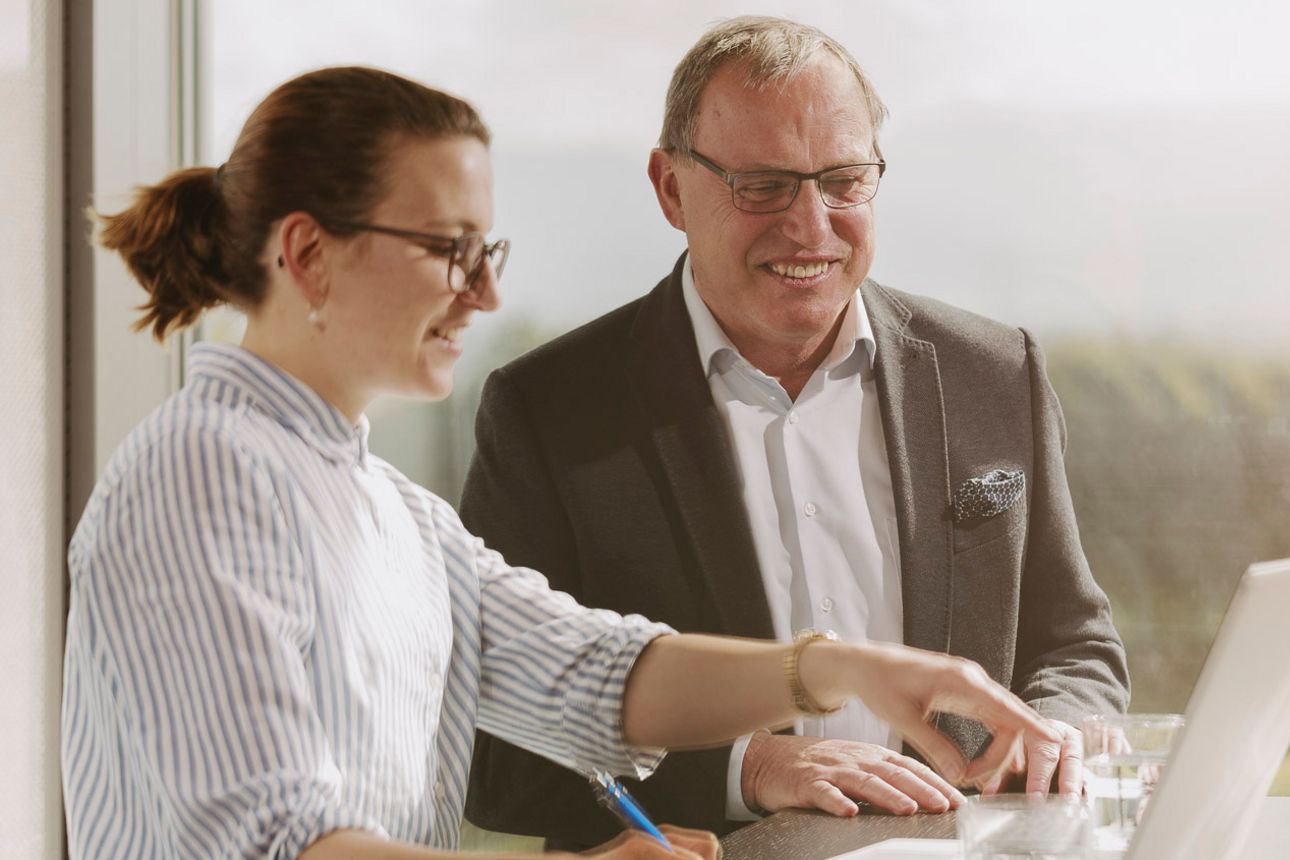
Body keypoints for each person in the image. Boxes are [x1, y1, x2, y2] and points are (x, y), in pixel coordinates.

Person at [61, 65, 1064, 860]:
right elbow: (269, 843)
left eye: (487, 250)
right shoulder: (200, 474)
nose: (485, 294)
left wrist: (843, 668)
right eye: (449, 250)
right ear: (311, 256)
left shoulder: (393, 512)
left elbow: (594, 675)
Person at [461, 16, 1131, 850]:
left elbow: (1075, 645)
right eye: (765, 185)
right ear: (670, 189)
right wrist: (744, 766)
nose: (812, 225)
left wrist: (1060, 731)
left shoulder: (995, 372)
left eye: (844, 180)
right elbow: (492, 751)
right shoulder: (549, 411)